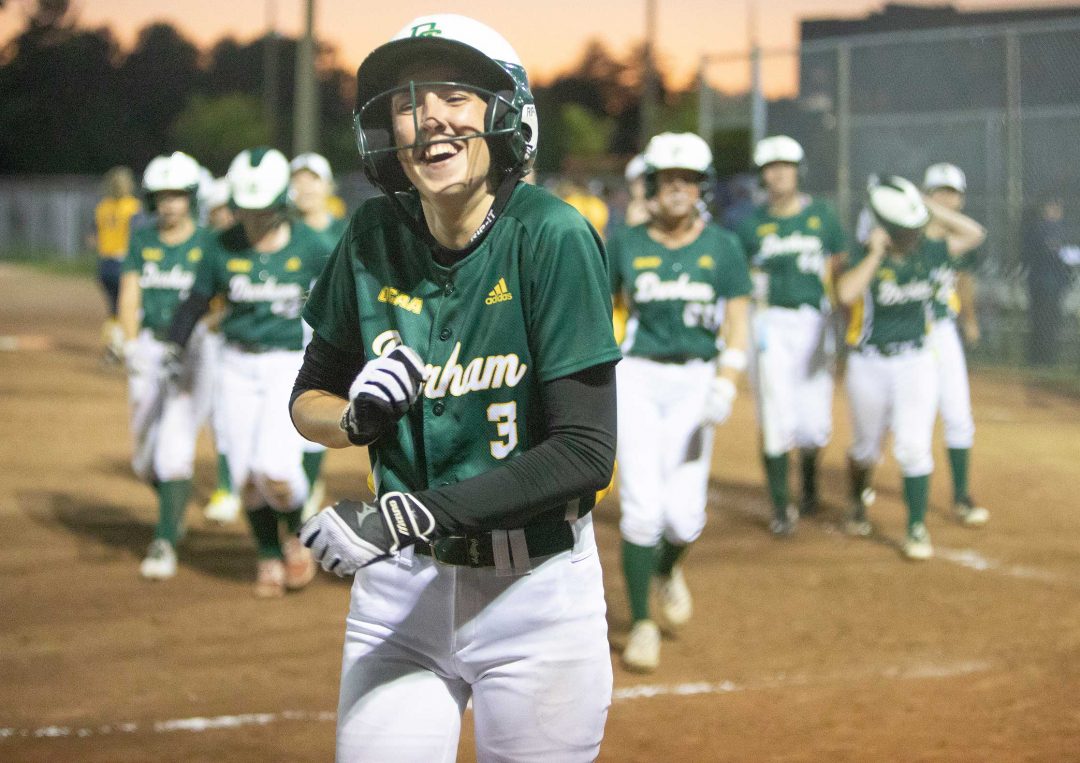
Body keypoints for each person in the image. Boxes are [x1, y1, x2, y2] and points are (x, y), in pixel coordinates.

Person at [290, 14, 619, 761]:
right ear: (388, 133)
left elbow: (585, 451)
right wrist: (357, 416)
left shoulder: (553, 235)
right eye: (408, 103)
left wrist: (407, 515)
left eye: (454, 96)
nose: (429, 116)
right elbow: (307, 399)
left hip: (536, 592)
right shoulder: (371, 235)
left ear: (507, 117)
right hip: (400, 596)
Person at [608, 132, 751, 672]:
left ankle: (667, 569)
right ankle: (642, 621)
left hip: (696, 380)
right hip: (639, 377)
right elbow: (602, 312)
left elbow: (738, 316)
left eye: (686, 180)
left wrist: (728, 379)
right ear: (651, 187)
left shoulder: (723, 246)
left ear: (701, 188)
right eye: (667, 180)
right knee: (643, 509)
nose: (676, 190)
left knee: (686, 519)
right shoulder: (626, 241)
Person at [167, 147, 332, 597]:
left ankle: (299, 535)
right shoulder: (222, 245)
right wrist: (173, 345)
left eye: (263, 209)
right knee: (243, 476)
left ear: (281, 203)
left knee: (274, 469)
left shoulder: (312, 246)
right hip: (233, 362)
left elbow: (343, 303)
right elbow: (197, 300)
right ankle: (267, 554)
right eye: (246, 209)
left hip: (288, 365)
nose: (253, 218)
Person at [837, 175, 985, 560]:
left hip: (916, 360)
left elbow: (973, 233)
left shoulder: (929, 251)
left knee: (914, 447)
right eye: (905, 228)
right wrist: (874, 254)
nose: (911, 235)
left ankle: (916, 526)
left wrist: (924, 205)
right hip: (869, 362)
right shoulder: (864, 254)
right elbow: (846, 293)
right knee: (866, 449)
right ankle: (857, 499)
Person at [735, 135, 848, 536]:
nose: (778, 173)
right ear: (763, 176)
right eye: (770, 167)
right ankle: (782, 506)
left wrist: (846, 324)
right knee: (776, 415)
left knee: (815, 424)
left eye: (785, 165)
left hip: (815, 322)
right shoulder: (750, 226)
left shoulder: (822, 216)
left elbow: (839, 271)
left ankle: (811, 488)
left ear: (797, 170)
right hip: (769, 324)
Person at [117, 151, 213, 580]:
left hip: (194, 351)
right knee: (143, 460)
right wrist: (128, 339)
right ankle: (172, 510)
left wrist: (196, 337)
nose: (168, 204)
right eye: (161, 196)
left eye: (177, 195)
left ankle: (163, 543)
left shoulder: (208, 243)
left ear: (191, 197)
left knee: (173, 449)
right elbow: (130, 291)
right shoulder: (143, 239)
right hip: (151, 347)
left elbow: (221, 303)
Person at [922, 163, 989, 526]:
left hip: (943, 330)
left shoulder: (959, 240)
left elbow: (963, 280)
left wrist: (970, 319)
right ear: (926, 194)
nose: (946, 198)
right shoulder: (907, 232)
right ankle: (861, 486)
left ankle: (961, 495)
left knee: (959, 414)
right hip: (907, 334)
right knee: (888, 419)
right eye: (939, 191)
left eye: (952, 192)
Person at [288, 152, 348, 517]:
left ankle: (309, 487)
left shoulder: (344, 231)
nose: (305, 187)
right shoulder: (284, 231)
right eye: (299, 180)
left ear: (328, 186)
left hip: (327, 338)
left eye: (313, 179)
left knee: (317, 404)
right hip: (284, 336)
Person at [94, 166, 142, 365]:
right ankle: (121, 347)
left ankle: (112, 347)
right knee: (130, 307)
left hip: (105, 263)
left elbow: (92, 236)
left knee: (113, 309)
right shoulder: (133, 207)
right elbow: (138, 236)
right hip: (124, 263)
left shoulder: (102, 207)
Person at [1023, 196, 1072, 366]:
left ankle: (1047, 358)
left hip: (1055, 284)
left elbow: (1064, 253)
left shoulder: (1061, 229)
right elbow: (1049, 251)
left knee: (1051, 322)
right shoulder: (1040, 228)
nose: (1055, 211)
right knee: (1041, 321)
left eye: (1058, 208)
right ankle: (1039, 359)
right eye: (1052, 207)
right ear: (1045, 209)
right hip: (1042, 283)